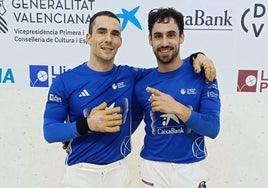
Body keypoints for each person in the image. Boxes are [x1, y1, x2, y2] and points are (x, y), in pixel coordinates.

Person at [43, 10, 217, 188]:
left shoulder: (131, 76)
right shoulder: (64, 81)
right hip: (79, 173)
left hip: (118, 171)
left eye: (115, 34)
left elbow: (167, 70)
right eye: (101, 32)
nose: (108, 39)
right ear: (88, 37)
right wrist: (85, 125)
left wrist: (197, 56)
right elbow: (49, 131)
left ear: (120, 41)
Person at [134, 8, 221, 188]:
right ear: (150, 40)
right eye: (158, 36)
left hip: (191, 170)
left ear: (181, 37)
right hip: (153, 169)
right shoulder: (142, 81)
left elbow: (212, 128)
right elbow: (125, 127)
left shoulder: (203, 73)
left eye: (171, 35)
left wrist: (177, 108)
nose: (164, 42)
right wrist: (79, 134)